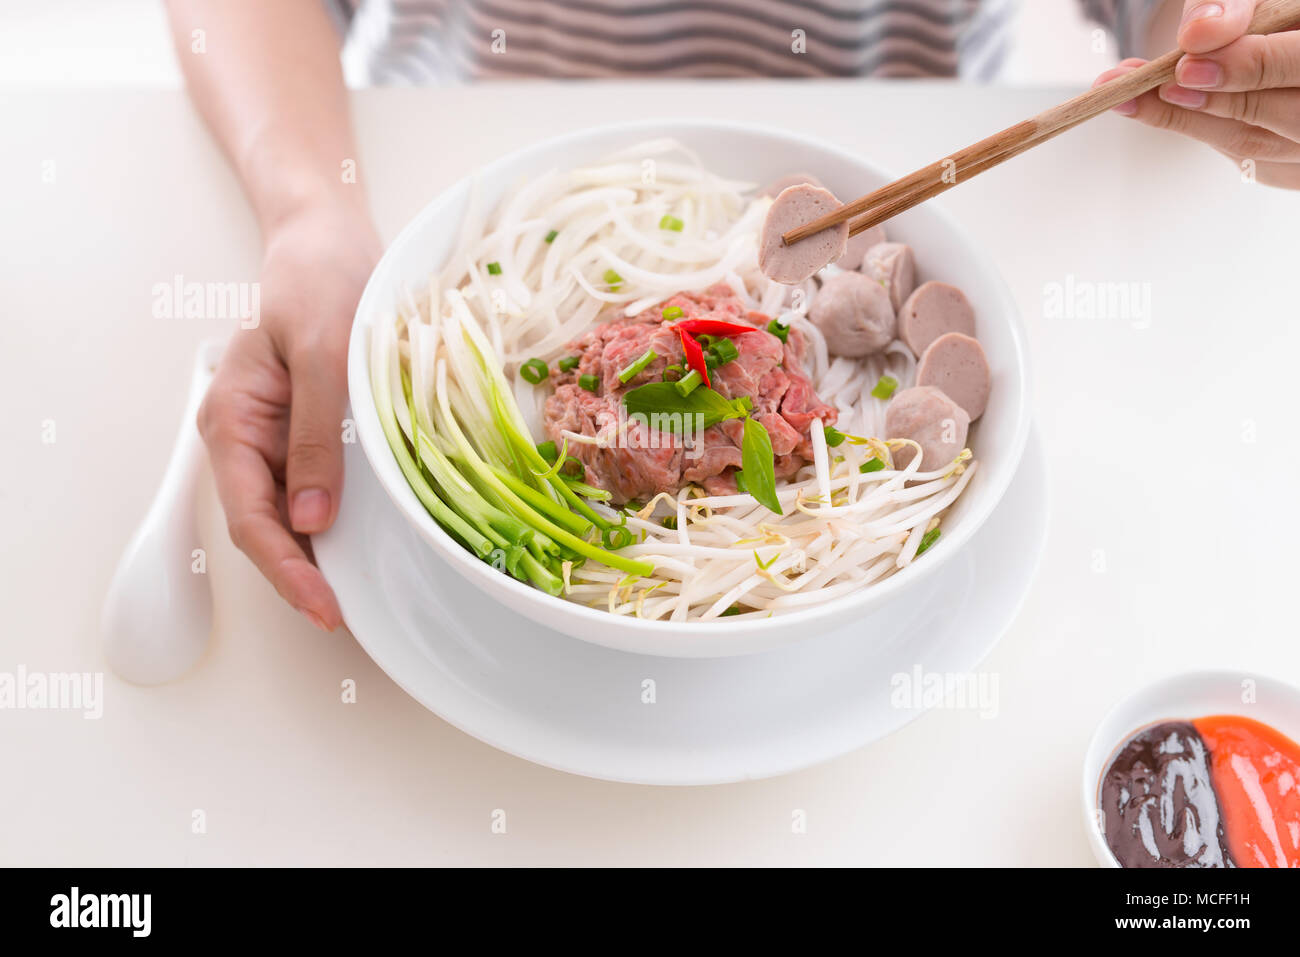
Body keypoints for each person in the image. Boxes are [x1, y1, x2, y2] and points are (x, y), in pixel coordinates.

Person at [162, 0, 1300, 630]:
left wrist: (1229, 39)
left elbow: (1181, 14)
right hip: (428, 146)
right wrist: (310, 207)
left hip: (895, 122)